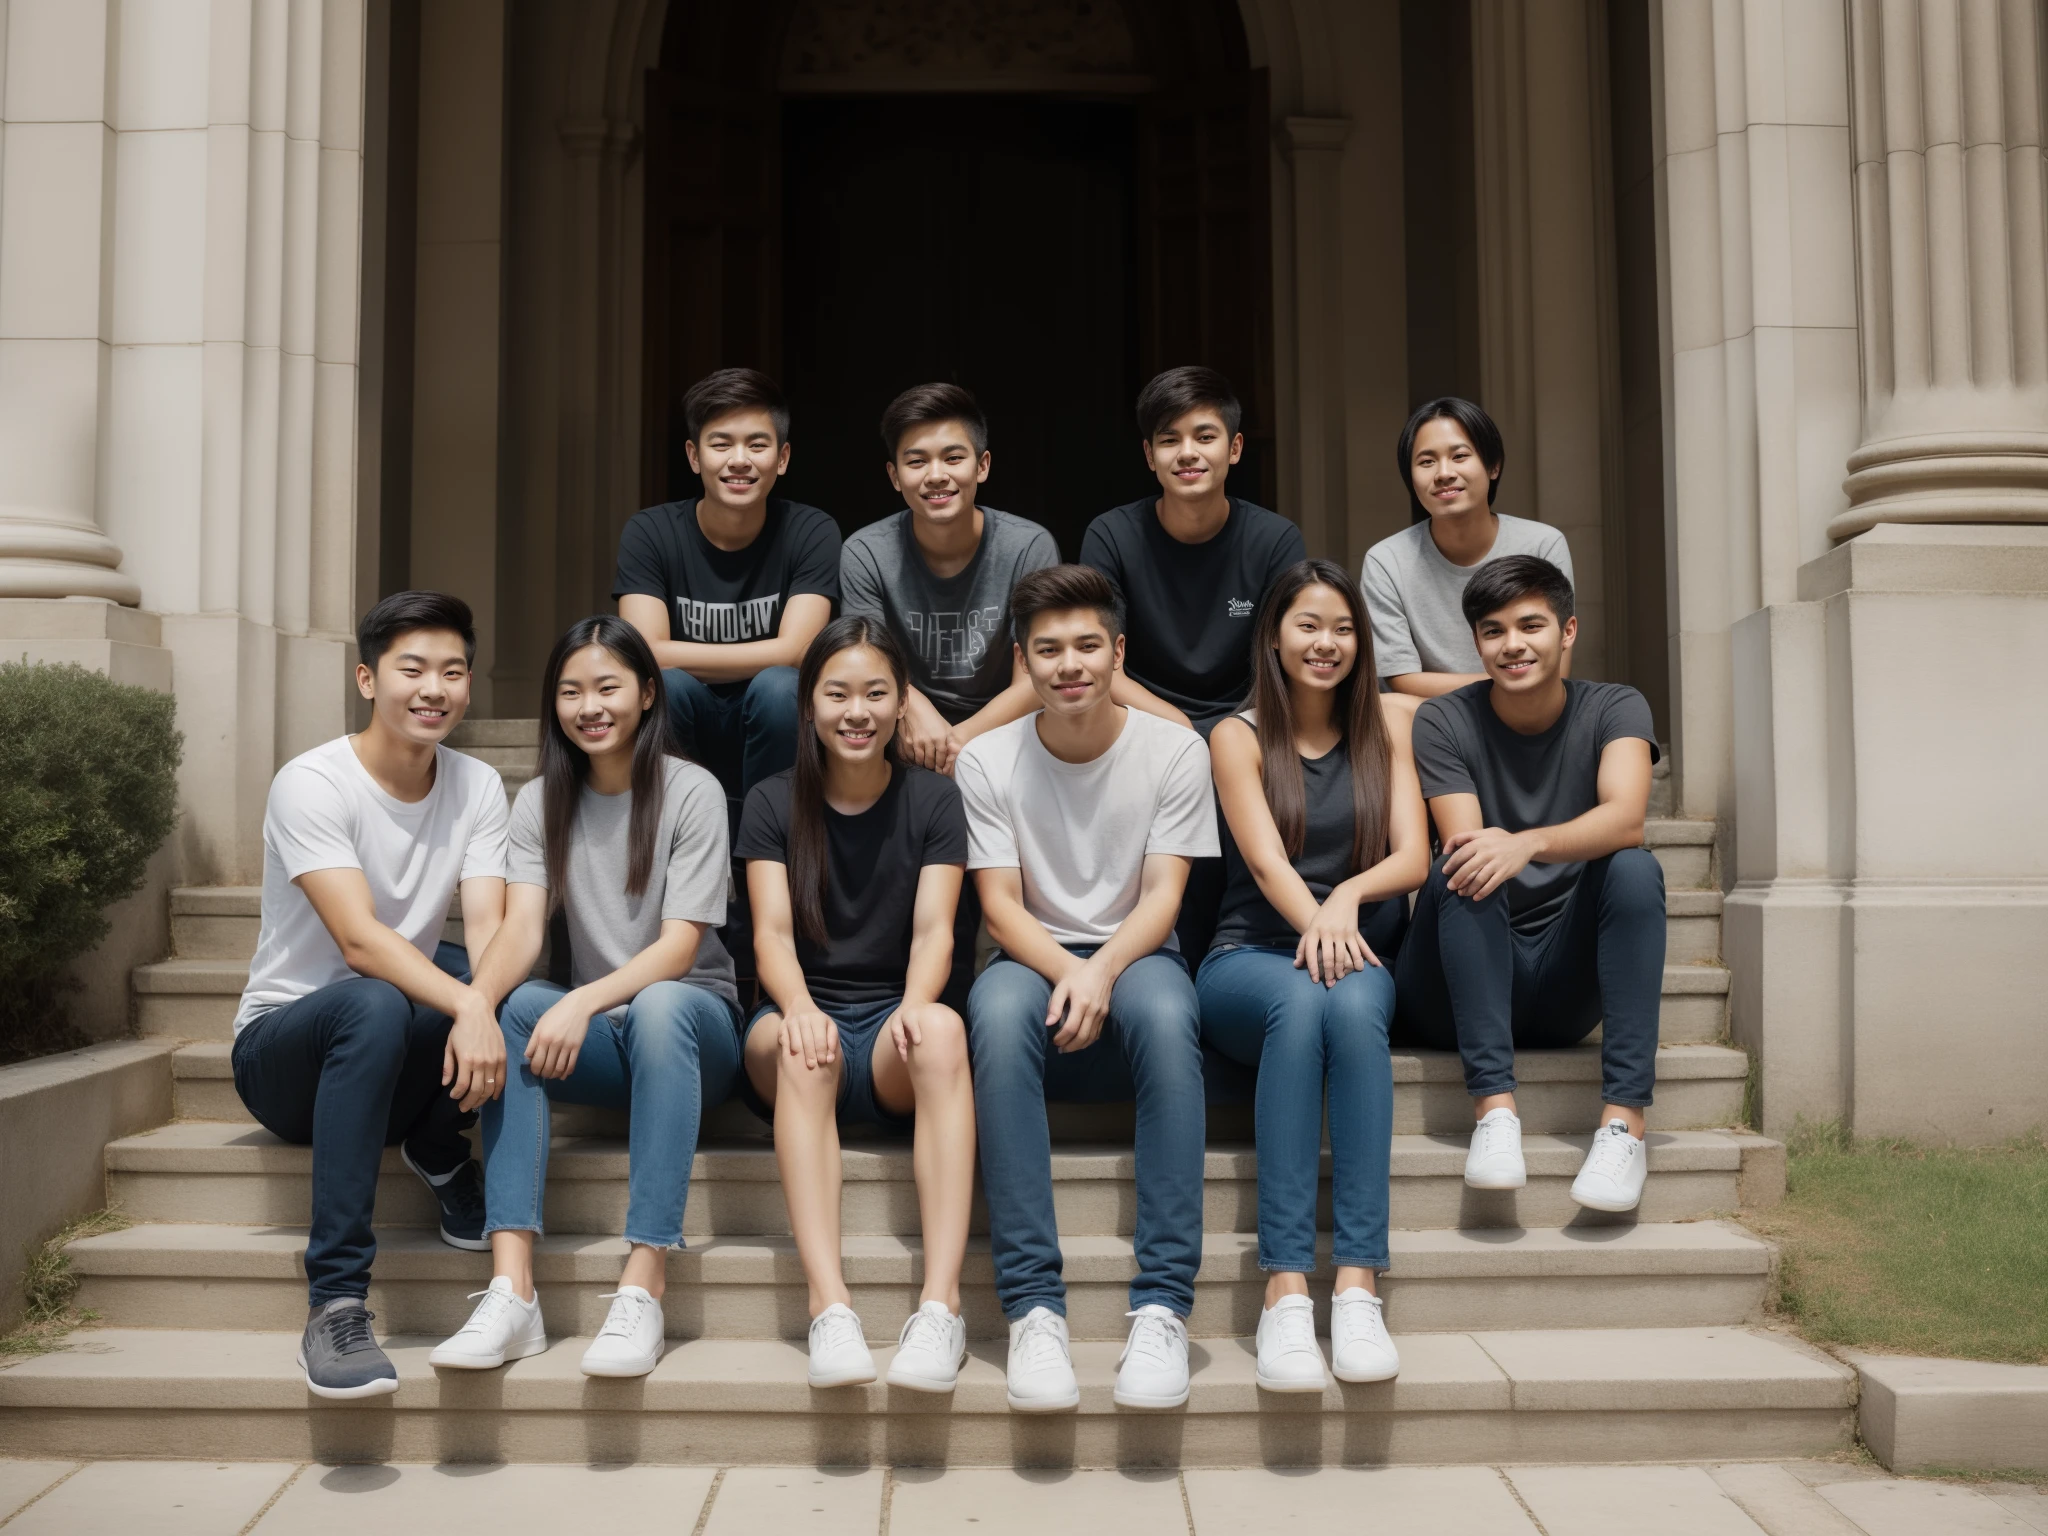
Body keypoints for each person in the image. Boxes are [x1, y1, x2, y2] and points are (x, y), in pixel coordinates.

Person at [429, 616, 741, 1379]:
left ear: (645, 694)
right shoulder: (539, 802)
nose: (589, 706)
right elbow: (523, 927)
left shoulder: (692, 790)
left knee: (661, 1002)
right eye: (571, 691)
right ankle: (513, 1291)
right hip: (611, 1035)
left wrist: (582, 1001)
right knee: (516, 1004)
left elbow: (678, 948)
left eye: (607, 687)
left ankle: (643, 1284)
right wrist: (478, 1004)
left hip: (697, 1027)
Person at [231, 591, 513, 1399]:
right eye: (412, 669)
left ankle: (433, 1144)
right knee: (382, 998)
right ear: (367, 679)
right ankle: (335, 1303)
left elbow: (489, 923)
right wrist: (467, 1004)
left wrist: (483, 999)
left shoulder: (478, 784)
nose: (435, 689)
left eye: (453, 672)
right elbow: (357, 940)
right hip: (285, 1057)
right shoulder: (312, 782)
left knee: (495, 986)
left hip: (387, 1053)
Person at [957, 564, 1217, 1414]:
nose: (1069, 665)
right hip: (1031, 952)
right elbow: (998, 906)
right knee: (991, 1019)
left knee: (1173, 1017)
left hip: (1137, 948)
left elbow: (1165, 896)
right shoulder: (988, 759)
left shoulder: (1175, 747)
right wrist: (1069, 970)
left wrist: (1101, 969)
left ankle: (1164, 1306)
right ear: (1022, 663)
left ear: (1118, 652)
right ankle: (1033, 1308)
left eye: (1086, 646)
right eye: (1048, 650)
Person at [1197, 559, 1429, 1392]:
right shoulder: (1235, 734)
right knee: (1297, 1007)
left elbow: (1413, 855)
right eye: (1307, 625)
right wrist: (1317, 922)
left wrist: (1349, 901)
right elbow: (1263, 862)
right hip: (1248, 956)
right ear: (1274, 635)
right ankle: (1286, 1291)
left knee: (1357, 1007)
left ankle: (1359, 1286)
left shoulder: (1389, 727)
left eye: (1342, 628)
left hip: (1358, 951)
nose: (1325, 643)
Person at [736, 616, 977, 1392]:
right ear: (808, 705)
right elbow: (770, 935)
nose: (857, 711)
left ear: (903, 702)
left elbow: (936, 929)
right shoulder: (772, 802)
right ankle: (829, 1306)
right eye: (837, 693)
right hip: (799, 1018)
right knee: (806, 1051)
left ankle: (940, 1307)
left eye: (876, 693)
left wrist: (913, 1004)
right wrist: (799, 1006)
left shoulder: (935, 801)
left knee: (940, 1030)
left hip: (887, 1035)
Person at [1393, 555, 1664, 1213]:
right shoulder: (1444, 721)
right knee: (1465, 864)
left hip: (1563, 990)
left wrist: (1531, 841)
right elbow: (1467, 846)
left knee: (1635, 867)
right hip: (1456, 989)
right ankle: (1495, 1113)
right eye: (1493, 631)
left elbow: (1626, 818)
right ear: (1477, 643)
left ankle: (1624, 1128)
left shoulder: (1616, 706)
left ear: (1567, 631)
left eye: (1530, 625)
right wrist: (1504, 849)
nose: (1512, 644)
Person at [1080, 366, 1305, 959]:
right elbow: (1102, 663)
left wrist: (1224, 733)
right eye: (1169, 439)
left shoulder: (1275, 539)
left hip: (1249, 718)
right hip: (1141, 716)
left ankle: (1238, 951)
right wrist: (1183, 729)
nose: (1188, 453)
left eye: (1204, 437)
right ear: (1149, 455)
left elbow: (1285, 660)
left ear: (1233, 449)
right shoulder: (1112, 534)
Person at [614, 367, 841, 811]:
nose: (740, 460)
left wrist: (674, 651)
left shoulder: (812, 530)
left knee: (780, 688)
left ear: (783, 457)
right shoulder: (650, 532)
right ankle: (675, 838)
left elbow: (798, 653)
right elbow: (644, 653)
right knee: (668, 687)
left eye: (757, 444)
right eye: (721, 444)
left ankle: (767, 845)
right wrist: (772, 651)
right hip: (685, 716)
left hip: (777, 723)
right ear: (694, 456)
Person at [840, 383, 1060, 776]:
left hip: (1006, 728)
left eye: (953, 457)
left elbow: (1035, 675)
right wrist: (915, 708)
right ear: (894, 475)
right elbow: (865, 664)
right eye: (917, 461)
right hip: (901, 724)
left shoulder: (1028, 546)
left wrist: (959, 743)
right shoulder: (866, 552)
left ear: (982, 465)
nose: (936, 476)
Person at [1362, 397, 1574, 699]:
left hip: (1529, 707)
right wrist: (1510, 680)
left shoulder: (1542, 544)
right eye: (1426, 461)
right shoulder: (1387, 560)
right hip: (1430, 717)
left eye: (1459, 456)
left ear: (1493, 466)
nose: (1443, 473)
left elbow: (1556, 669)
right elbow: (1402, 681)